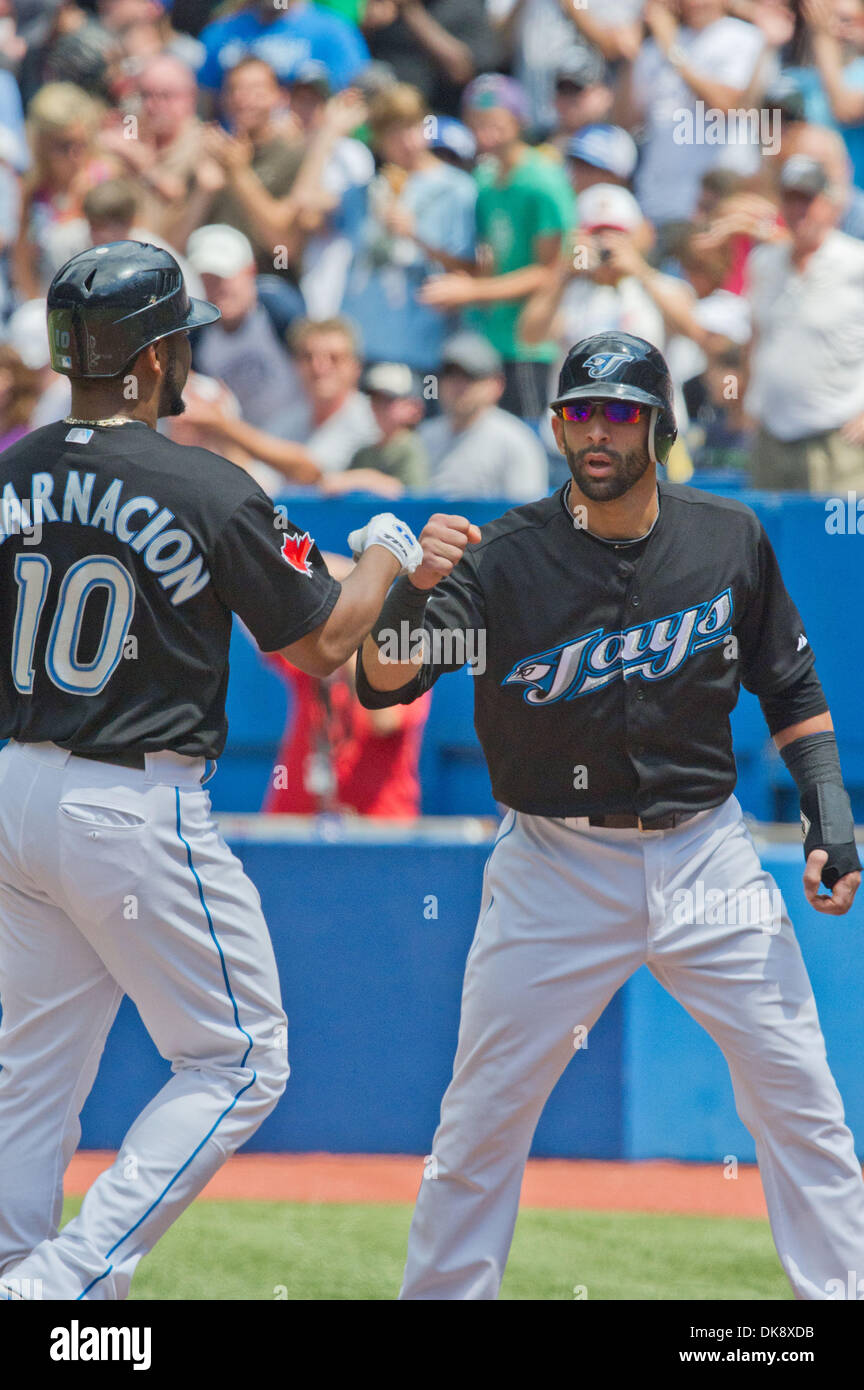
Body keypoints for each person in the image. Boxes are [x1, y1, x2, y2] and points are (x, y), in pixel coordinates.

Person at [356, 329, 864, 1302]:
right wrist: (412, 594)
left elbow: (791, 685)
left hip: (706, 854)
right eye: (578, 412)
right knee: (479, 1122)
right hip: (553, 864)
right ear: (554, 427)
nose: (596, 430)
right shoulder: (502, 558)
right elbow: (387, 681)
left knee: (801, 1098)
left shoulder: (729, 539)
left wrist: (829, 818)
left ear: (659, 427)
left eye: (618, 412)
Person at [0, 238, 436, 1300]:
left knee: (31, 1070)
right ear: (148, 362)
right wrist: (387, 548)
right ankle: (58, 1285)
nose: (187, 356)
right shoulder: (203, 480)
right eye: (177, 341)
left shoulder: (13, 469)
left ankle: (20, 1274)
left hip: (18, 782)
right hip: (131, 801)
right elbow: (322, 644)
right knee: (241, 1058)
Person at [420, 73, 574, 423]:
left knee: (524, 439)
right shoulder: (484, 179)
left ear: (518, 121)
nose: (484, 131)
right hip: (486, 337)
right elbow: (487, 256)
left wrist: (471, 290)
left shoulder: (543, 180)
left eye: (495, 122)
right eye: (476, 122)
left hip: (526, 344)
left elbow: (550, 269)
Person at [265, 554, 432, 817]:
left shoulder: (404, 657)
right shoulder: (314, 657)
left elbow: (384, 721)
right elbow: (263, 600)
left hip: (378, 827)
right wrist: (336, 578)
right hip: (298, 820)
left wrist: (354, 636)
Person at [339, 82, 477, 376]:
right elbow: (307, 214)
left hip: (423, 351)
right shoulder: (365, 191)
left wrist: (415, 235)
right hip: (362, 346)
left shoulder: (458, 189)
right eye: (393, 132)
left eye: (411, 127)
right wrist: (327, 134)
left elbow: (469, 270)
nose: (406, 141)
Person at [746, 153, 864, 491]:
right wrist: (747, 401)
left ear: (830, 205)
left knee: (835, 542)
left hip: (838, 443)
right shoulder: (764, 263)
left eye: (807, 200)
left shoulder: (855, 263)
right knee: (766, 541)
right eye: (791, 199)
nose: (798, 211)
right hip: (771, 436)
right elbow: (757, 334)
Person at [617, 0, 768, 251]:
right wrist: (631, 52)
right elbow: (626, 121)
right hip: (659, 208)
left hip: (717, 212)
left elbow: (726, 105)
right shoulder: (656, 47)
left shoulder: (743, 38)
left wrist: (673, 53)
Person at [181, 315, 378, 492]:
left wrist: (226, 427)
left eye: (334, 358)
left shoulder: (367, 416)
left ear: (356, 367)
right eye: (308, 357)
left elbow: (308, 470)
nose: (320, 367)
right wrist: (219, 426)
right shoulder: (293, 418)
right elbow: (257, 478)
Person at [185, 222, 304, 432]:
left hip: (299, 432)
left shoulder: (279, 309)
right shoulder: (196, 338)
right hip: (239, 445)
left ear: (250, 271)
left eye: (223, 277)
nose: (217, 288)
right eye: (208, 278)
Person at [417, 331, 548, 500]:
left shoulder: (515, 440)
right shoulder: (424, 436)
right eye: (450, 375)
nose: (458, 385)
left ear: (497, 384)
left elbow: (530, 514)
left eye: (470, 376)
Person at [196, 0, 370, 96]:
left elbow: (353, 100)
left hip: (305, 148)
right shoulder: (221, 32)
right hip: (230, 144)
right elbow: (205, 101)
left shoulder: (334, 32)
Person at [322, 362, 428, 498]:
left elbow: (412, 496)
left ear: (414, 407)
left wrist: (362, 479)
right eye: (375, 398)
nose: (379, 407)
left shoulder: (410, 448)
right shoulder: (363, 453)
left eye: (388, 400)